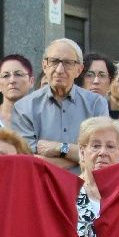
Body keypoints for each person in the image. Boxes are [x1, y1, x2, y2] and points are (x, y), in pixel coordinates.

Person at [13, 39, 107, 171]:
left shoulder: (96, 104)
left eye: (68, 63)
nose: (59, 69)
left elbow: (99, 154)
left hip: (84, 186)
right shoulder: (24, 108)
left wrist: (59, 147)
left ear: (79, 70)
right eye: (54, 61)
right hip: (42, 186)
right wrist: (79, 157)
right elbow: (26, 160)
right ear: (44, 65)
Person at [0, 53, 34, 131]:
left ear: (31, 81)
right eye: (6, 75)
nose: (12, 80)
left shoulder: (43, 119)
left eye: (18, 74)